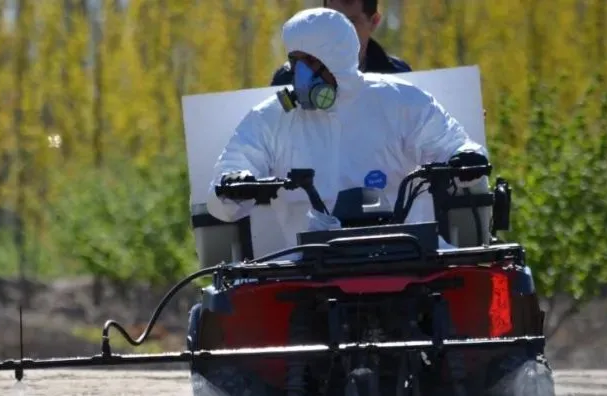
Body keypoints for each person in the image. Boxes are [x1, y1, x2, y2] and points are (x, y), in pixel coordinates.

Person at [206, 7, 489, 259]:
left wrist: (466, 159)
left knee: (485, 286)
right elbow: (230, 179)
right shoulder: (272, 117)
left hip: (409, 257)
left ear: (338, 60)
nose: (301, 75)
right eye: (295, 62)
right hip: (308, 269)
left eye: (312, 62)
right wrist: (234, 183)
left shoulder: (399, 100)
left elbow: (454, 144)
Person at [270, 0, 411, 86]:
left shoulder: (400, 75)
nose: (339, 31)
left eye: (350, 22)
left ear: (374, 22)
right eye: (332, 21)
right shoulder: (287, 78)